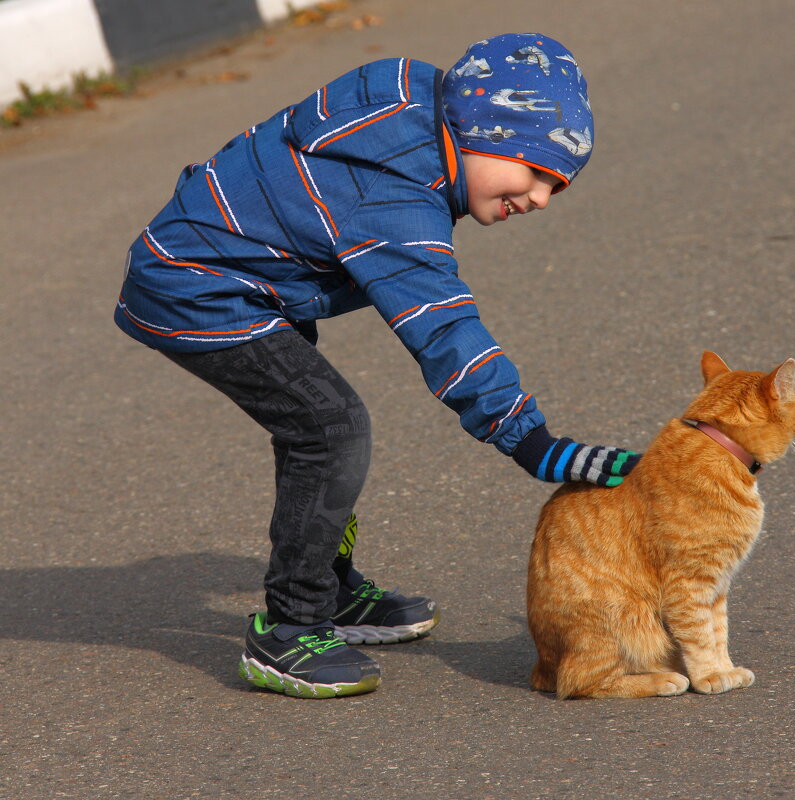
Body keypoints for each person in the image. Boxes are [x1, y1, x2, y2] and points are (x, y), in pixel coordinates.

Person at [114, 33, 639, 699]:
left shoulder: (417, 108)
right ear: (484, 131)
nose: (538, 199)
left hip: (241, 269)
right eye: (534, 173)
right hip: (198, 287)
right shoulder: (393, 200)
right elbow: (443, 326)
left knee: (314, 428)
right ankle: (288, 628)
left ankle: (327, 588)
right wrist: (535, 444)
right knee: (331, 430)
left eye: (555, 190)